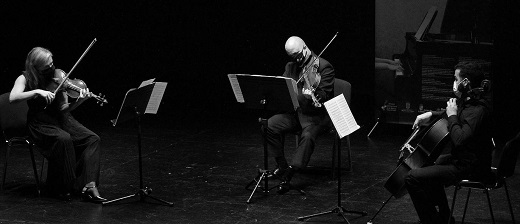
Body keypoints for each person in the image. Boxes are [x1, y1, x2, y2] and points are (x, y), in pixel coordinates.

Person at [9, 47, 106, 203]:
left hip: (61, 119)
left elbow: (63, 108)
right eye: (47, 66)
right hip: (40, 122)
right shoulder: (25, 78)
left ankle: (89, 185)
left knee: (92, 139)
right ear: (35, 67)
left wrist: (80, 101)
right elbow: (13, 97)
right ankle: (62, 186)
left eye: (52, 63)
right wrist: (37, 92)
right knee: (63, 139)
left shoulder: (58, 76)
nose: (51, 68)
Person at [405, 61, 493, 224]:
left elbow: (459, 139)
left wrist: (452, 115)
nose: (453, 83)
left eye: (455, 79)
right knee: (428, 165)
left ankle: (432, 221)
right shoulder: (470, 102)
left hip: (471, 168)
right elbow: (458, 113)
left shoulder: (477, 110)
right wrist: (430, 114)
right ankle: (444, 217)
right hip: (462, 160)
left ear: (464, 83)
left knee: (412, 178)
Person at [265, 36, 335, 194]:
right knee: (269, 125)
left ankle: (290, 172)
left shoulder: (324, 66)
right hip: (297, 114)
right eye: (293, 56)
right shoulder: (291, 66)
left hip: (316, 117)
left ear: (305, 47)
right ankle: (281, 165)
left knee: (308, 136)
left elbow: (324, 94)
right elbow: (284, 88)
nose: (297, 59)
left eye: (298, 54)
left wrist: (312, 96)